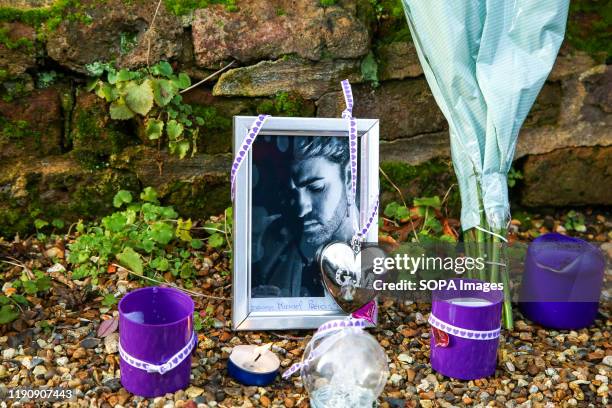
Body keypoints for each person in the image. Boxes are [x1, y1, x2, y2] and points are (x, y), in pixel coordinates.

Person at [252, 136, 356, 298]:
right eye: (291, 193)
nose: (301, 210)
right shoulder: (272, 245)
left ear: (348, 178)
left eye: (316, 188)